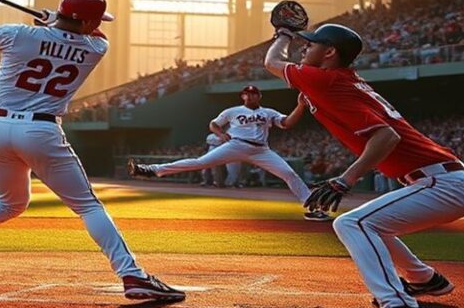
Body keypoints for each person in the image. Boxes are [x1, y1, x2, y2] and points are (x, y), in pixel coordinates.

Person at [0, 0, 184, 302]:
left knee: (9, 203)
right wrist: (51, 22)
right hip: (40, 130)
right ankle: (133, 275)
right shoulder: (96, 47)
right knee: (87, 206)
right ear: (88, 24)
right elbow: (86, 32)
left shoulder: (18, 34)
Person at [264, 22, 464, 308]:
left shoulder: (324, 78)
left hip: (442, 182)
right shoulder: (343, 80)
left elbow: (387, 135)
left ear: (330, 52)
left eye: (310, 45)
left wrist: (344, 180)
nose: (303, 49)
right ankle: (424, 279)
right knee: (373, 224)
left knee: (352, 224)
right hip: (447, 178)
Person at [128, 84, 327, 221]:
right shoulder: (233, 111)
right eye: (246, 94)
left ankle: (313, 208)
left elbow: (287, 123)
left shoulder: (268, 112)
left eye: (253, 93)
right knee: (200, 162)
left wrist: (300, 105)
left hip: (261, 151)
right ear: (242, 96)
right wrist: (221, 133)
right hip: (236, 145)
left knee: (289, 174)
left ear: (259, 96)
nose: (249, 96)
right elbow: (213, 124)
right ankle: (151, 169)